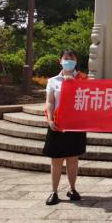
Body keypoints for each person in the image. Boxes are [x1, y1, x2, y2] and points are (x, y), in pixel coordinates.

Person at [43, 50, 88, 205]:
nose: (68, 61)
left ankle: (72, 189)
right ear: (60, 61)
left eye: (71, 58)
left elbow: (87, 99)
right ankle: (54, 191)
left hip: (75, 124)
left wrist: (73, 83)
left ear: (76, 61)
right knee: (56, 159)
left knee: (73, 159)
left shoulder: (83, 79)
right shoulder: (53, 81)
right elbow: (50, 101)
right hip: (57, 124)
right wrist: (50, 119)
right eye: (66, 58)